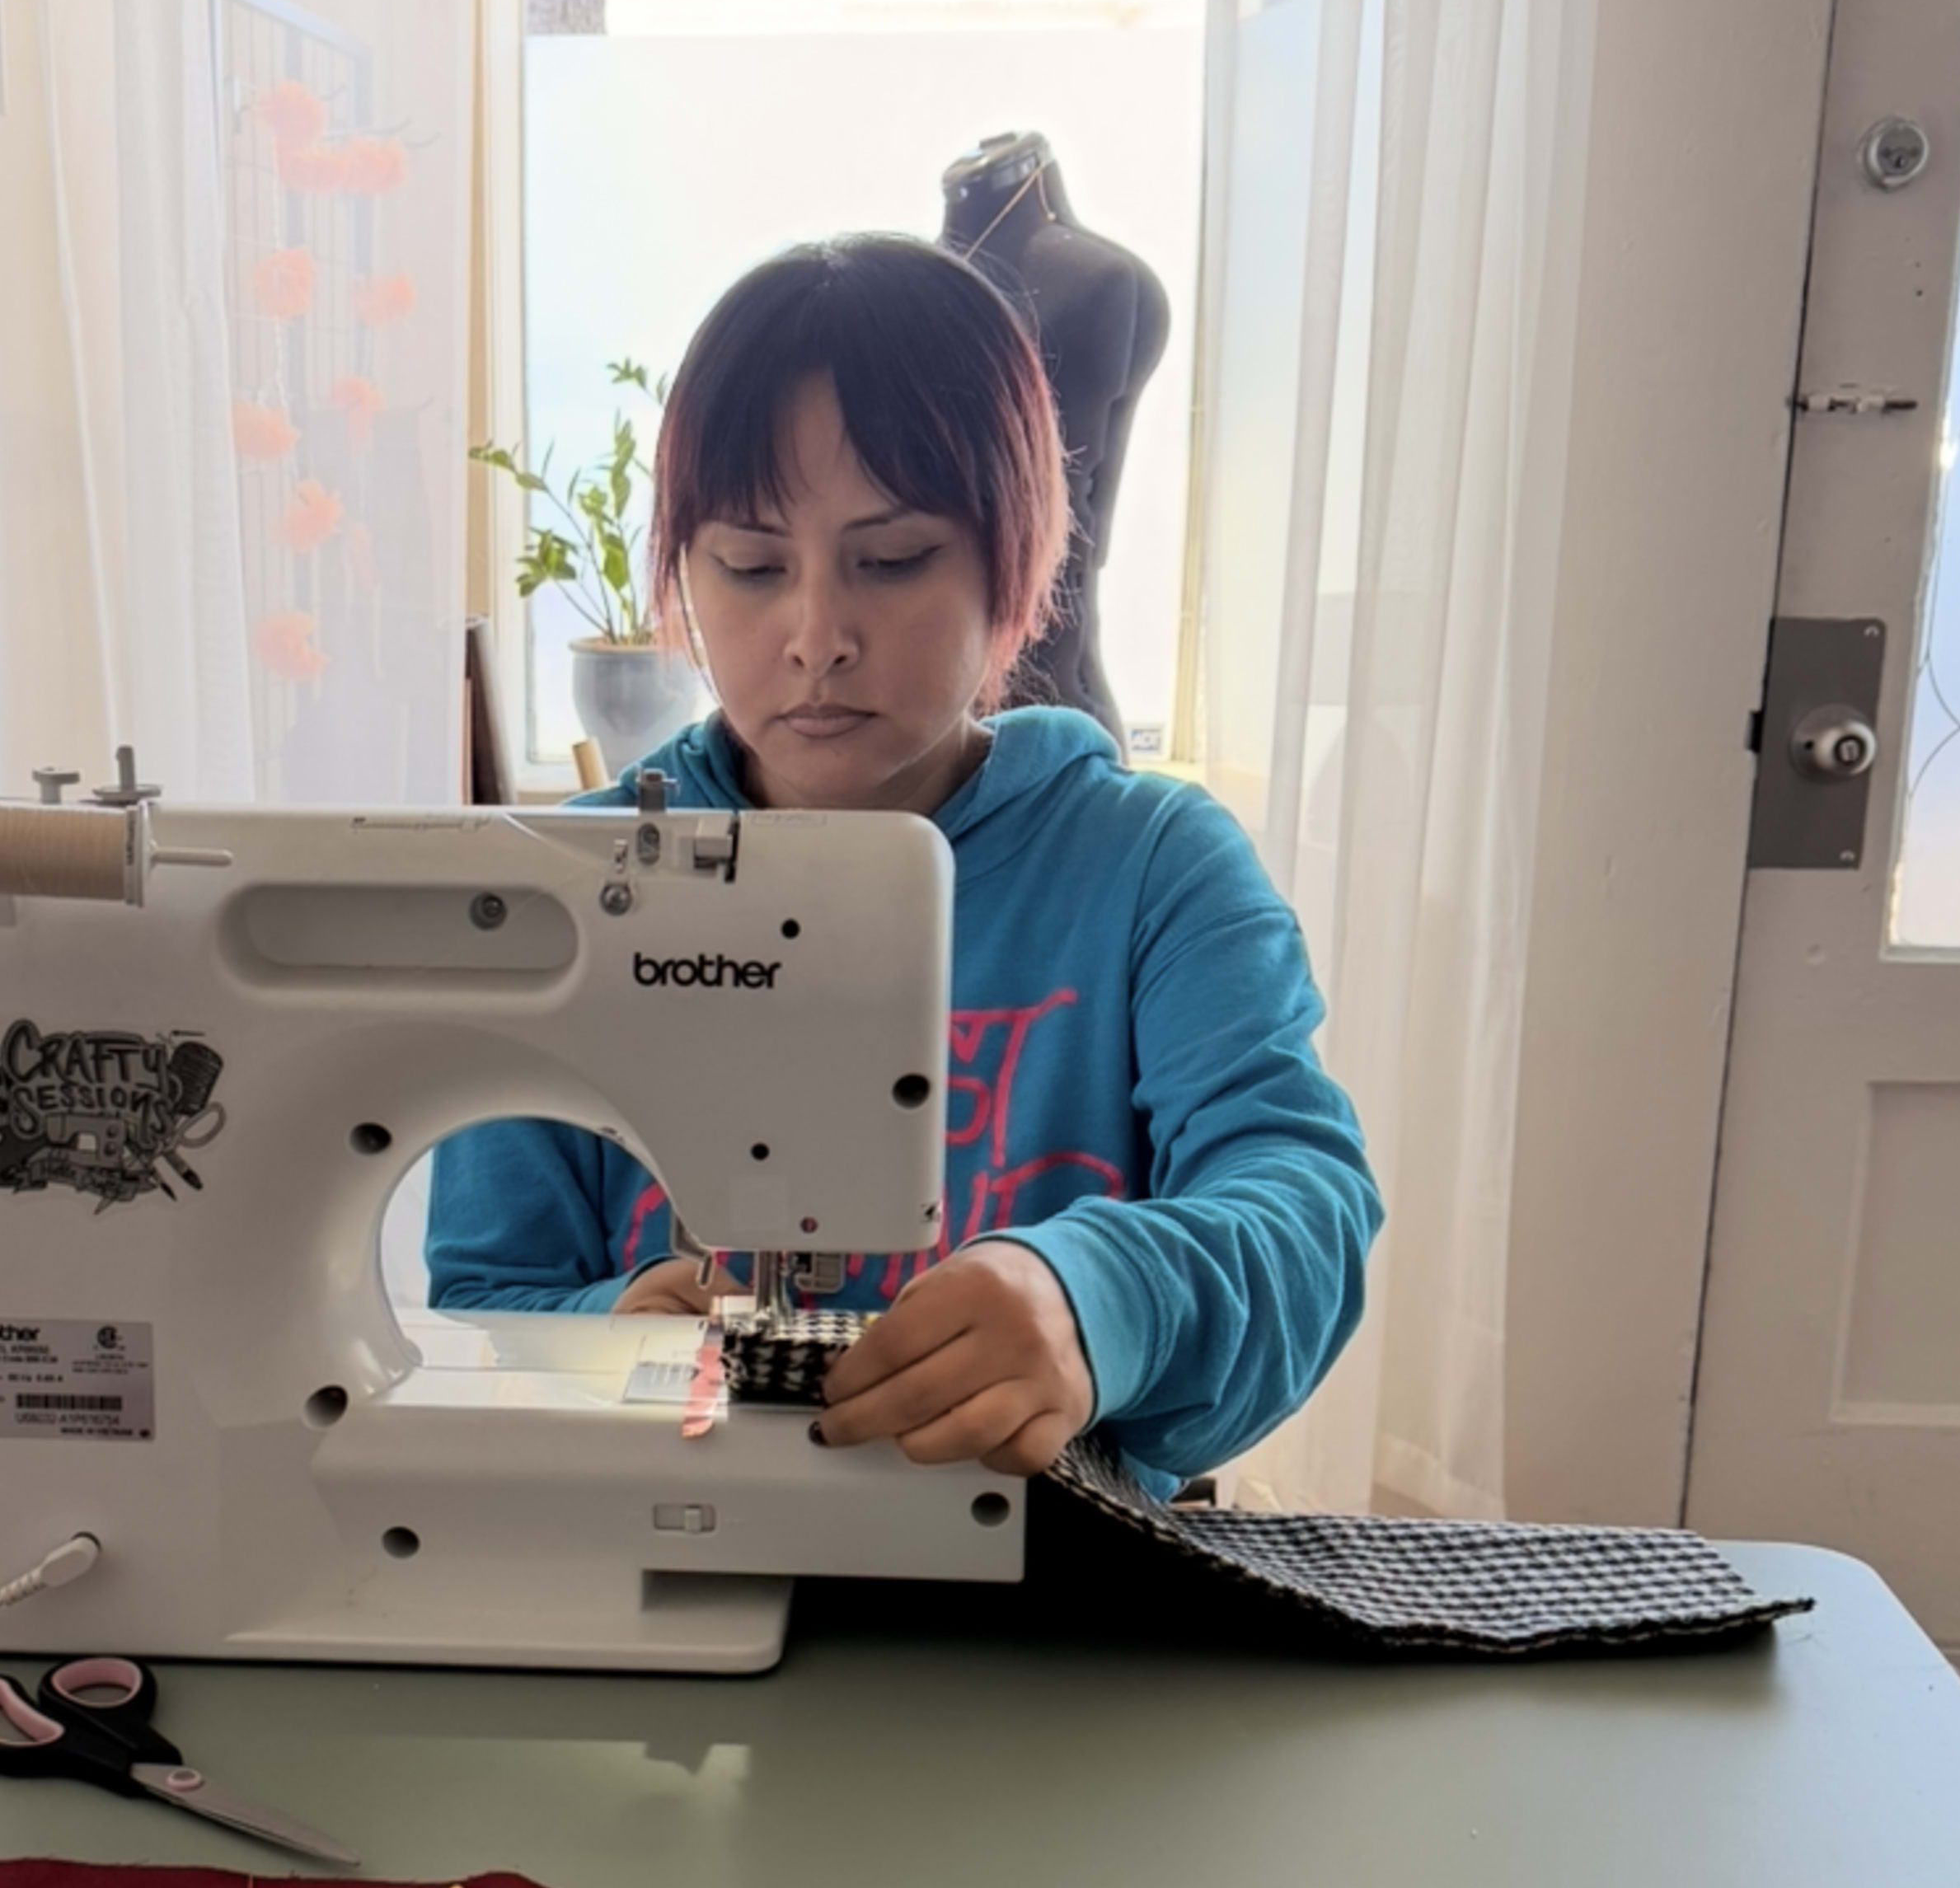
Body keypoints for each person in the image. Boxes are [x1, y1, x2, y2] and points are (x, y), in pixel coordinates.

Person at [424, 236, 1379, 1488]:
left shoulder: (1152, 868)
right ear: (685, 574)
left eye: (892, 559)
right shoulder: (567, 884)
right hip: (661, 1561)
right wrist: (606, 1334)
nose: (817, 636)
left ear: (1017, 557)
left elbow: (1303, 1207)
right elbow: (486, 1296)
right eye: (753, 566)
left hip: (1052, 1600)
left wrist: (1092, 1299)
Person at [936, 131, 1171, 752]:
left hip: (1057, 704)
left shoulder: (1098, 282)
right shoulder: (908, 300)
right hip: (937, 721)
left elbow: (1083, 535)